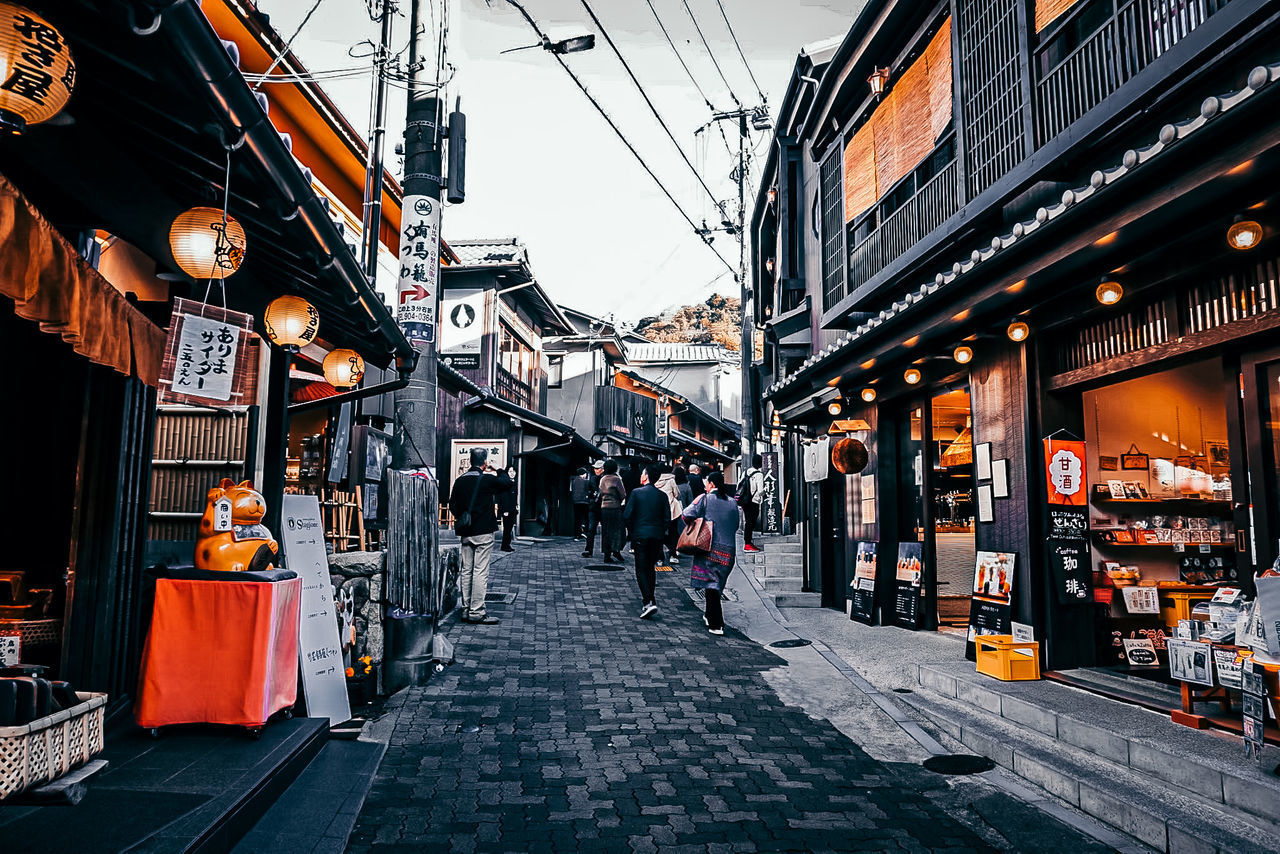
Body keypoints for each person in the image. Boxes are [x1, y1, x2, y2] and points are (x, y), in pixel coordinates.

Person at [683, 471, 741, 635]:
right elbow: (735, 524)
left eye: (707, 483)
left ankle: (717, 623)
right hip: (729, 550)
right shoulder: (731, 502)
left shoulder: (704, 499)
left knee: (711, 585)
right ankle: (709, 615)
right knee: (716, 585)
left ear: (712, 484)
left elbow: (686, 514)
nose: (705, 486)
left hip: (709, 547)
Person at [449, 448, 503, 625]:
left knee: (466, 571)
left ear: (470, 460)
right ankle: (477, 611)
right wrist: (498, 469)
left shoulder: (460, 481)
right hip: (484, 531)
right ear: (484, 462)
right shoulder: (487, 479)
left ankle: (465, 609)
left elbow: (452, 505)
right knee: (480, 571)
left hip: (466, 531)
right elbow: (508, 483)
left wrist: (463, 515)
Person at [624, 464, 670, 619]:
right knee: (650, 568)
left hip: (640, 535)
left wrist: (633, 530)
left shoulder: (637, 493)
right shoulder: (662, 496)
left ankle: (648, 601)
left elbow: (627, 516)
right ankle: (651, 599)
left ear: (646, 476)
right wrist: (660, 531)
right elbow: (667, 519)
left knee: (640, 569)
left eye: (642, 473)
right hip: (656, 536)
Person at [597, 459, 627, 563]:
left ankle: (607, 554)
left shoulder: (603, 479)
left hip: (604, 508)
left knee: (606, 531)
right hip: (615, 507)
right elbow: (623, 494)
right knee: (617, 531)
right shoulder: (616, 479)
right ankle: (616, 550)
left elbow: (600, 493)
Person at [655, 466, 683, 566]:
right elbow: (676, 494)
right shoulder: (671, 480)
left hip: (658, 511)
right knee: (673, 533)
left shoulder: (656, 479)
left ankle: (659, 558)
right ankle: (672, 555)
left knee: (659, 534)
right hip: (672, 511)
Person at [739, 454, 766, 553]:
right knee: (751, 522)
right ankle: (747, 544)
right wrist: (765, 491)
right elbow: (760, 491)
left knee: (748, 521)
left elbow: (739, 485)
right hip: (754, 501)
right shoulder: (759, 475)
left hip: (745, 501)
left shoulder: (745, 472)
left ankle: (748, 542)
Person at [581, 460, 604, 558]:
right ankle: (588, 549)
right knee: (591, 529)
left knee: (605, 530)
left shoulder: (605, 479)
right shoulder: (593, 479)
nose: (595, 470)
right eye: (595, 468)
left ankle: (607, 551)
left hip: (603, 507)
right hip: (594, 507)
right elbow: (590, 490)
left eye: (597, 468)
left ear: (603, 469)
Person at [496, 466, 517, 552]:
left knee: (509, 528)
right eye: (510, 471)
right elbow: (504, 498)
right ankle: (504, 546)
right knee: (507, 528)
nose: (512, 473)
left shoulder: (513, 482)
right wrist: (505, 510)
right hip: (507, 510)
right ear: (506, 473)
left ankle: (507, 545)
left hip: (512, 509)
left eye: (514, 471)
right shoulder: (506, 483)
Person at [569, 467, 592, 540]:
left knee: (577, 519)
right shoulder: (586, 482)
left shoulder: (573, 480)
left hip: (576, 502)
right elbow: (590, 490)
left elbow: (571, 491)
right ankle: (585, 533)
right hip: (584, 502)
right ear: (583, 474)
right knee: (586, 518)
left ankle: (577, 535)